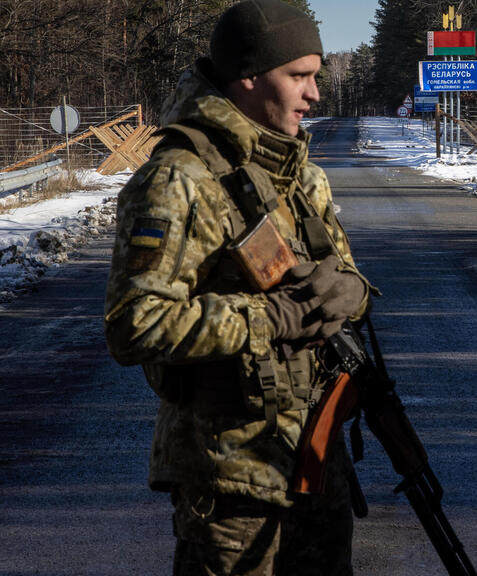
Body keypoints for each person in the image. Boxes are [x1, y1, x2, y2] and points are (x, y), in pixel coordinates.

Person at [104, 1, 372, 574]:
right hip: (227, 479)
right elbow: (134, 324)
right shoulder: (179, 179)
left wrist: (352, 290)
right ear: (248, 77)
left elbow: (344, 271)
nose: (314, 95)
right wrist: (267, 319)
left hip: (314, 462)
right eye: (298, 76)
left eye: (316, 76)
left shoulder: (301, 174)